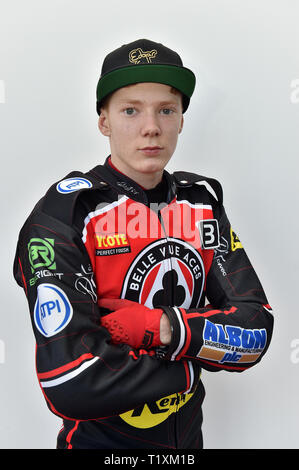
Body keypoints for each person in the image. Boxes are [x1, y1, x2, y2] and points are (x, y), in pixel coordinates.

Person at [13, 38, 274, 449]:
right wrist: (192, 366)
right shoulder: (65, 212)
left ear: (182, 121)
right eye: (130, 110)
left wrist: (163, 328)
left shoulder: (201, 202)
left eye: (166, 110)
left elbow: (256, 332)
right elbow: (71, 382)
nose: (151, 127)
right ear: (104, 121)